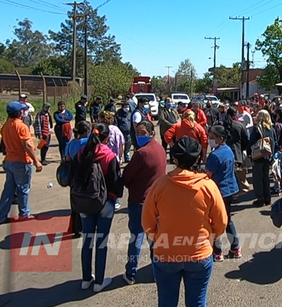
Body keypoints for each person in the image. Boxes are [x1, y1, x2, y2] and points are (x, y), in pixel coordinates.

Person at [142, 136, 228, 307]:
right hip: (199, 253)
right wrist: (209, 238)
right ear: (197, 158)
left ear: (174, 159)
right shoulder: (208, 186)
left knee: (166, 302)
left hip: (166, 253)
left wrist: (157, 238)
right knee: (197, 302)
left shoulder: (159, 185)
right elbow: (221, 222)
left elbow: (147, 222)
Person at [71, 123, 123, 293]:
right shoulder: (109, 156)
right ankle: (99, 281)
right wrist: (115, 197)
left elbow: (73, 175)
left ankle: (86, 279)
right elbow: (116, 182)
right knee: (101, 242)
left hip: (84, 202)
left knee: (87, 240)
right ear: (107, 138)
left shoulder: (81, 152)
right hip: (104, 203)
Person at [122, 120, 167, 285]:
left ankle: (131, 273)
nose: (139, 136)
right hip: (157, 202)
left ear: (151, 133)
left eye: (143, 133)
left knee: (136, 237)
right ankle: (157, 271)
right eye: (138, 132)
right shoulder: (160, 149)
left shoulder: (141, 153)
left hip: (140, 201)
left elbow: (126, 177)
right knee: (154, 239)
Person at [0, 101, 43, 224]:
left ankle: (0, 216)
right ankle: (24, 214)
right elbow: (26, 145)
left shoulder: (6, 126)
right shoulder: (21, 126)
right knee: (23, 189)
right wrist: (36, 161)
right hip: (22, 161)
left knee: (8, 190)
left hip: (9, 160)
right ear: (19, 113)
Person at [206, 125, 242, 262]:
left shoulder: (215, 155)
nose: (210, 140)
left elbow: (208, 174)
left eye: (212, 138)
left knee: (215, 222)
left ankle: (217, 252)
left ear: (221, 139)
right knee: (227, 220)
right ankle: (235, 247)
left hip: (218, 192)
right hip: (230, 190)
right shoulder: (228, 150)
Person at [64, 121, 91, 236]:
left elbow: (67, 158)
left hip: (73, 176)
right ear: (87, 131)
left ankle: (75, 228)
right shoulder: (88, 142)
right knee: (86, 202)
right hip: (86, 174)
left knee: (75, 203)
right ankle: (85, 227)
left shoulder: (71, 143)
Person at [249, 110, 276, 207]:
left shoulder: (257, 129)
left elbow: (251, 142)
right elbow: (275, 142)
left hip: (258, 156)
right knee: (266, 177)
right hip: (268, 155)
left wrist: (249, 154)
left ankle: (260, 198)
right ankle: (267, 198)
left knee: (257, 178)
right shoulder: (271, 128)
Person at [223, 107, 250, 194]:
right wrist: (242, 149)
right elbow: (246, 139)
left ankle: (228, 191)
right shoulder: (240, 125)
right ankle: (236, 191)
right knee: (237, 173)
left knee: (226, 174)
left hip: (224, 153)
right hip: (237, 152)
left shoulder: (223, 125)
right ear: (235, 114)